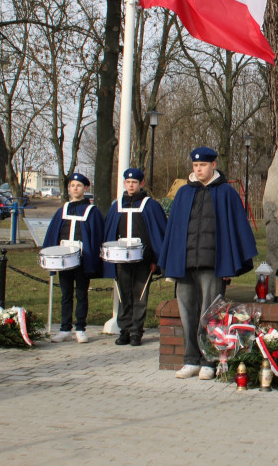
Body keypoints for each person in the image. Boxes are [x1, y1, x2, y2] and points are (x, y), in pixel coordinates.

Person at [159, 147, 256, 380]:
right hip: (185, 264)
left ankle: (209, 361)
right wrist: (171, 263)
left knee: (210, 314)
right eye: (195, 166)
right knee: (187, 314)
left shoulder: (226, 193)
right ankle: (190, 360)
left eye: (202, 165)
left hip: (213, 264)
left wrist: (230, 265)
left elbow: (236, 229)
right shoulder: (183, 193)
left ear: (213, 164)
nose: (198, 169)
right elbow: (174, 231)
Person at [103, 168, 167, 346]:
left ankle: (136, 331)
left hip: (143, 260)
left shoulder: (150, 205)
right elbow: (110, 230)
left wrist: (154, 260)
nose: (131, 185)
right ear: (124, 183)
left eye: (134, 182)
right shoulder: (117, 205)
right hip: (121, 260)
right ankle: (124, 330)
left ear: (141, 183)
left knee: (140, 296)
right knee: (123, 295)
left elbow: (158, 233)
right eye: (128, 182)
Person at [43, 172, 104, 343]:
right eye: (72, 186)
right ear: (69, 188)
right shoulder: (63, 210)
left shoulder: (92, 211)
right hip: (64, 258)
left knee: (81, 294)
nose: (75, 189)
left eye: (79, 186)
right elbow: (54, 233)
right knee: (66, 294)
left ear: (85, 188)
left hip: (83, 258)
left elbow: (97, 235)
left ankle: (80, 328)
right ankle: (65, 329)